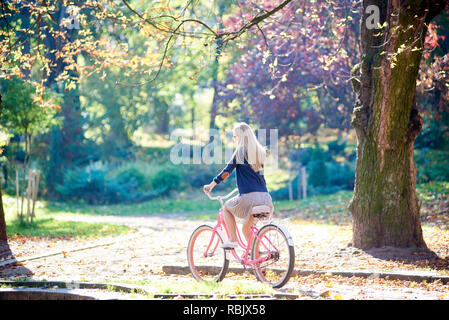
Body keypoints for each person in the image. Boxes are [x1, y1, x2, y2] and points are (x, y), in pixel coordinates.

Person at [203, 122, 274, 249]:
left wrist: (212, 184)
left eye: (235, 136)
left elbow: (226, 172)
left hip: (249, 198)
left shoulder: (240, 152)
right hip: (265, 198)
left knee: (226, 208)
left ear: (241, 137)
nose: (234, 139)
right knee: (246, 230)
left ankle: (232, 239)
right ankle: (256, 262)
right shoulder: (260, 152)